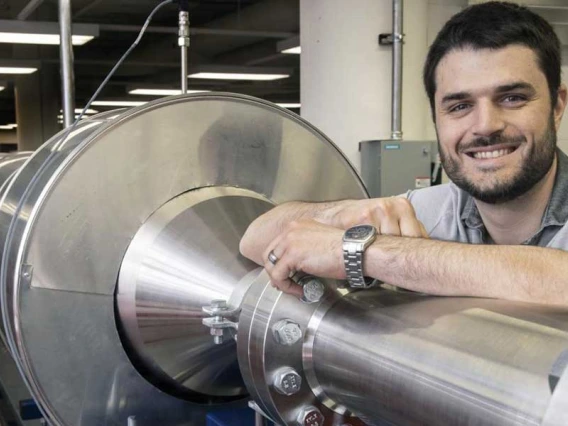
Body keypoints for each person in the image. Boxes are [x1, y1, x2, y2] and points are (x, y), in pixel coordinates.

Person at [239, 1, 568, 306]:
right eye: (460, 106)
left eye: (512, 98)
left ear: (557, 105)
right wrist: (340, 216)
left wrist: (368, 253)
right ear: (436, 119)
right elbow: (254, 239)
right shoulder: (431, 211)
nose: (485, 126)